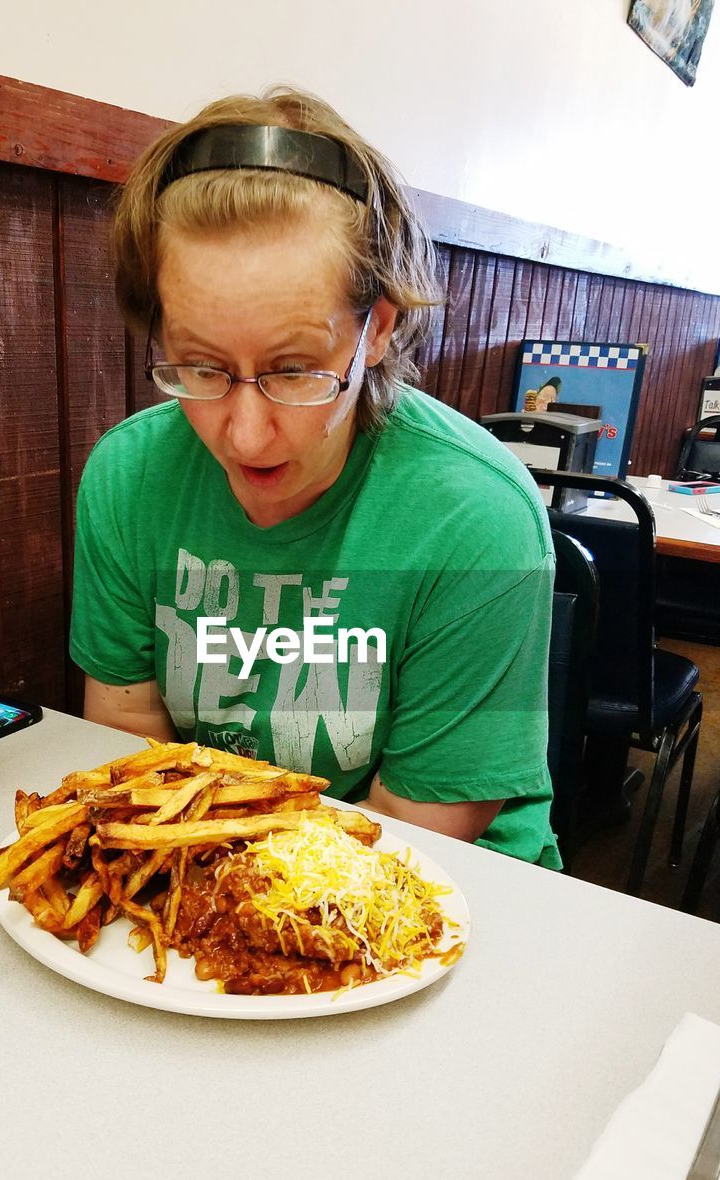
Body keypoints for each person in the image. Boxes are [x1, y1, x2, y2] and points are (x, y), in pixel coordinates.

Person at [70, 88, 560, 868]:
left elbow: (418, 826)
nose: (245, 434)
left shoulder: (476, 515)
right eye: (199, 366)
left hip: (455, 886)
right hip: (211, 872)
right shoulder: (128, 478)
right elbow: (128, 739)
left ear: (380, 327)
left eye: (294, 370)